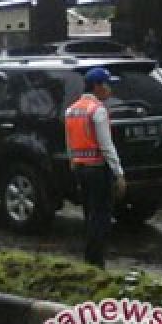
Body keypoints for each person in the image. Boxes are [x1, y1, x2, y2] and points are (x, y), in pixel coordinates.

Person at [64, 67, 126, 268]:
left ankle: (89, 259)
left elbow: (70, 142)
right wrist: (119, 173)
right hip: (98, 169)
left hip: (80, 168)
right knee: (100, 216)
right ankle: (96, 261)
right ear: (97, 86)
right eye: (107, 84)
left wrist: (73, 161)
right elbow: (106, 145)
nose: (109, 89)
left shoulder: (72, 109)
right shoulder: (97, 110)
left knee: (89, 213)